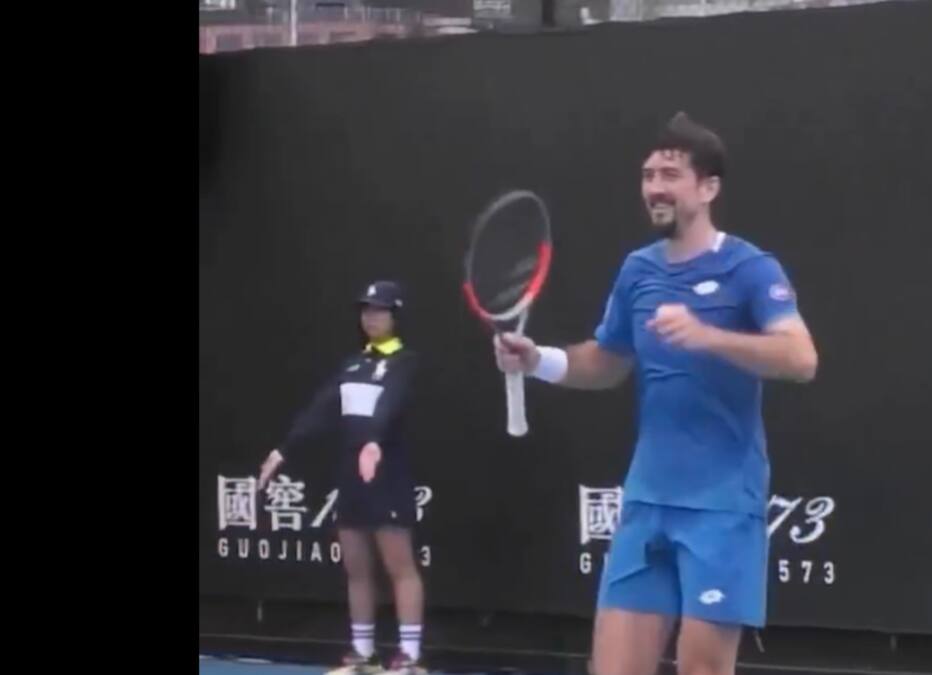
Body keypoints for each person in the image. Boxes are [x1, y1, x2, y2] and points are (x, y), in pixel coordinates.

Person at [494, 113, 818, 675]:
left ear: (708, 187)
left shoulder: (750, 268)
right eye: (648, 175)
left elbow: (800, 358)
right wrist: (539, 359)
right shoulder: (637, 271)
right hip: (647, 503)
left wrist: (708, 336)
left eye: (670, 174)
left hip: (721, 507)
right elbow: (608, 360)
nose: (654, 187)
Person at [259, 281, 427, 675]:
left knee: (399, 565)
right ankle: (363, 653)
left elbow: (390, 403)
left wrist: (373, 441)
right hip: (350, 476)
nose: (371, 316)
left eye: (380, 310)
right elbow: (321, 408)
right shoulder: (352, 364)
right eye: (366, 310)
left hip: (387, 473)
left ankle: (410, 657)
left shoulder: (405, 361)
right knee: (356, 566)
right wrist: (284, 448)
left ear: (395, 316)